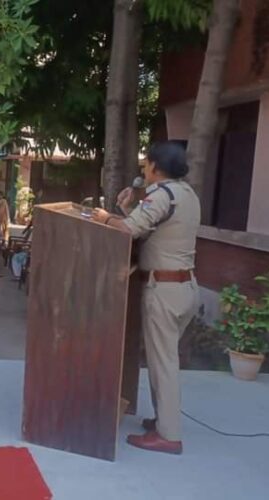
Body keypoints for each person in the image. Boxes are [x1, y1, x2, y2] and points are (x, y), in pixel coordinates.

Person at [91, 141, 200, 455]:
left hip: (164, 290)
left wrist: (103, 217)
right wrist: (127, 210)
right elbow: (153, 231)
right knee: (162, 359)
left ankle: (168, 435)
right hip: (185, 288)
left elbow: (127, 230)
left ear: (155, 166)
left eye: (146, 165)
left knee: (163, 363)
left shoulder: (161, 195)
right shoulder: (187, 195)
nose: (144, 170)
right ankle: (163, 421)